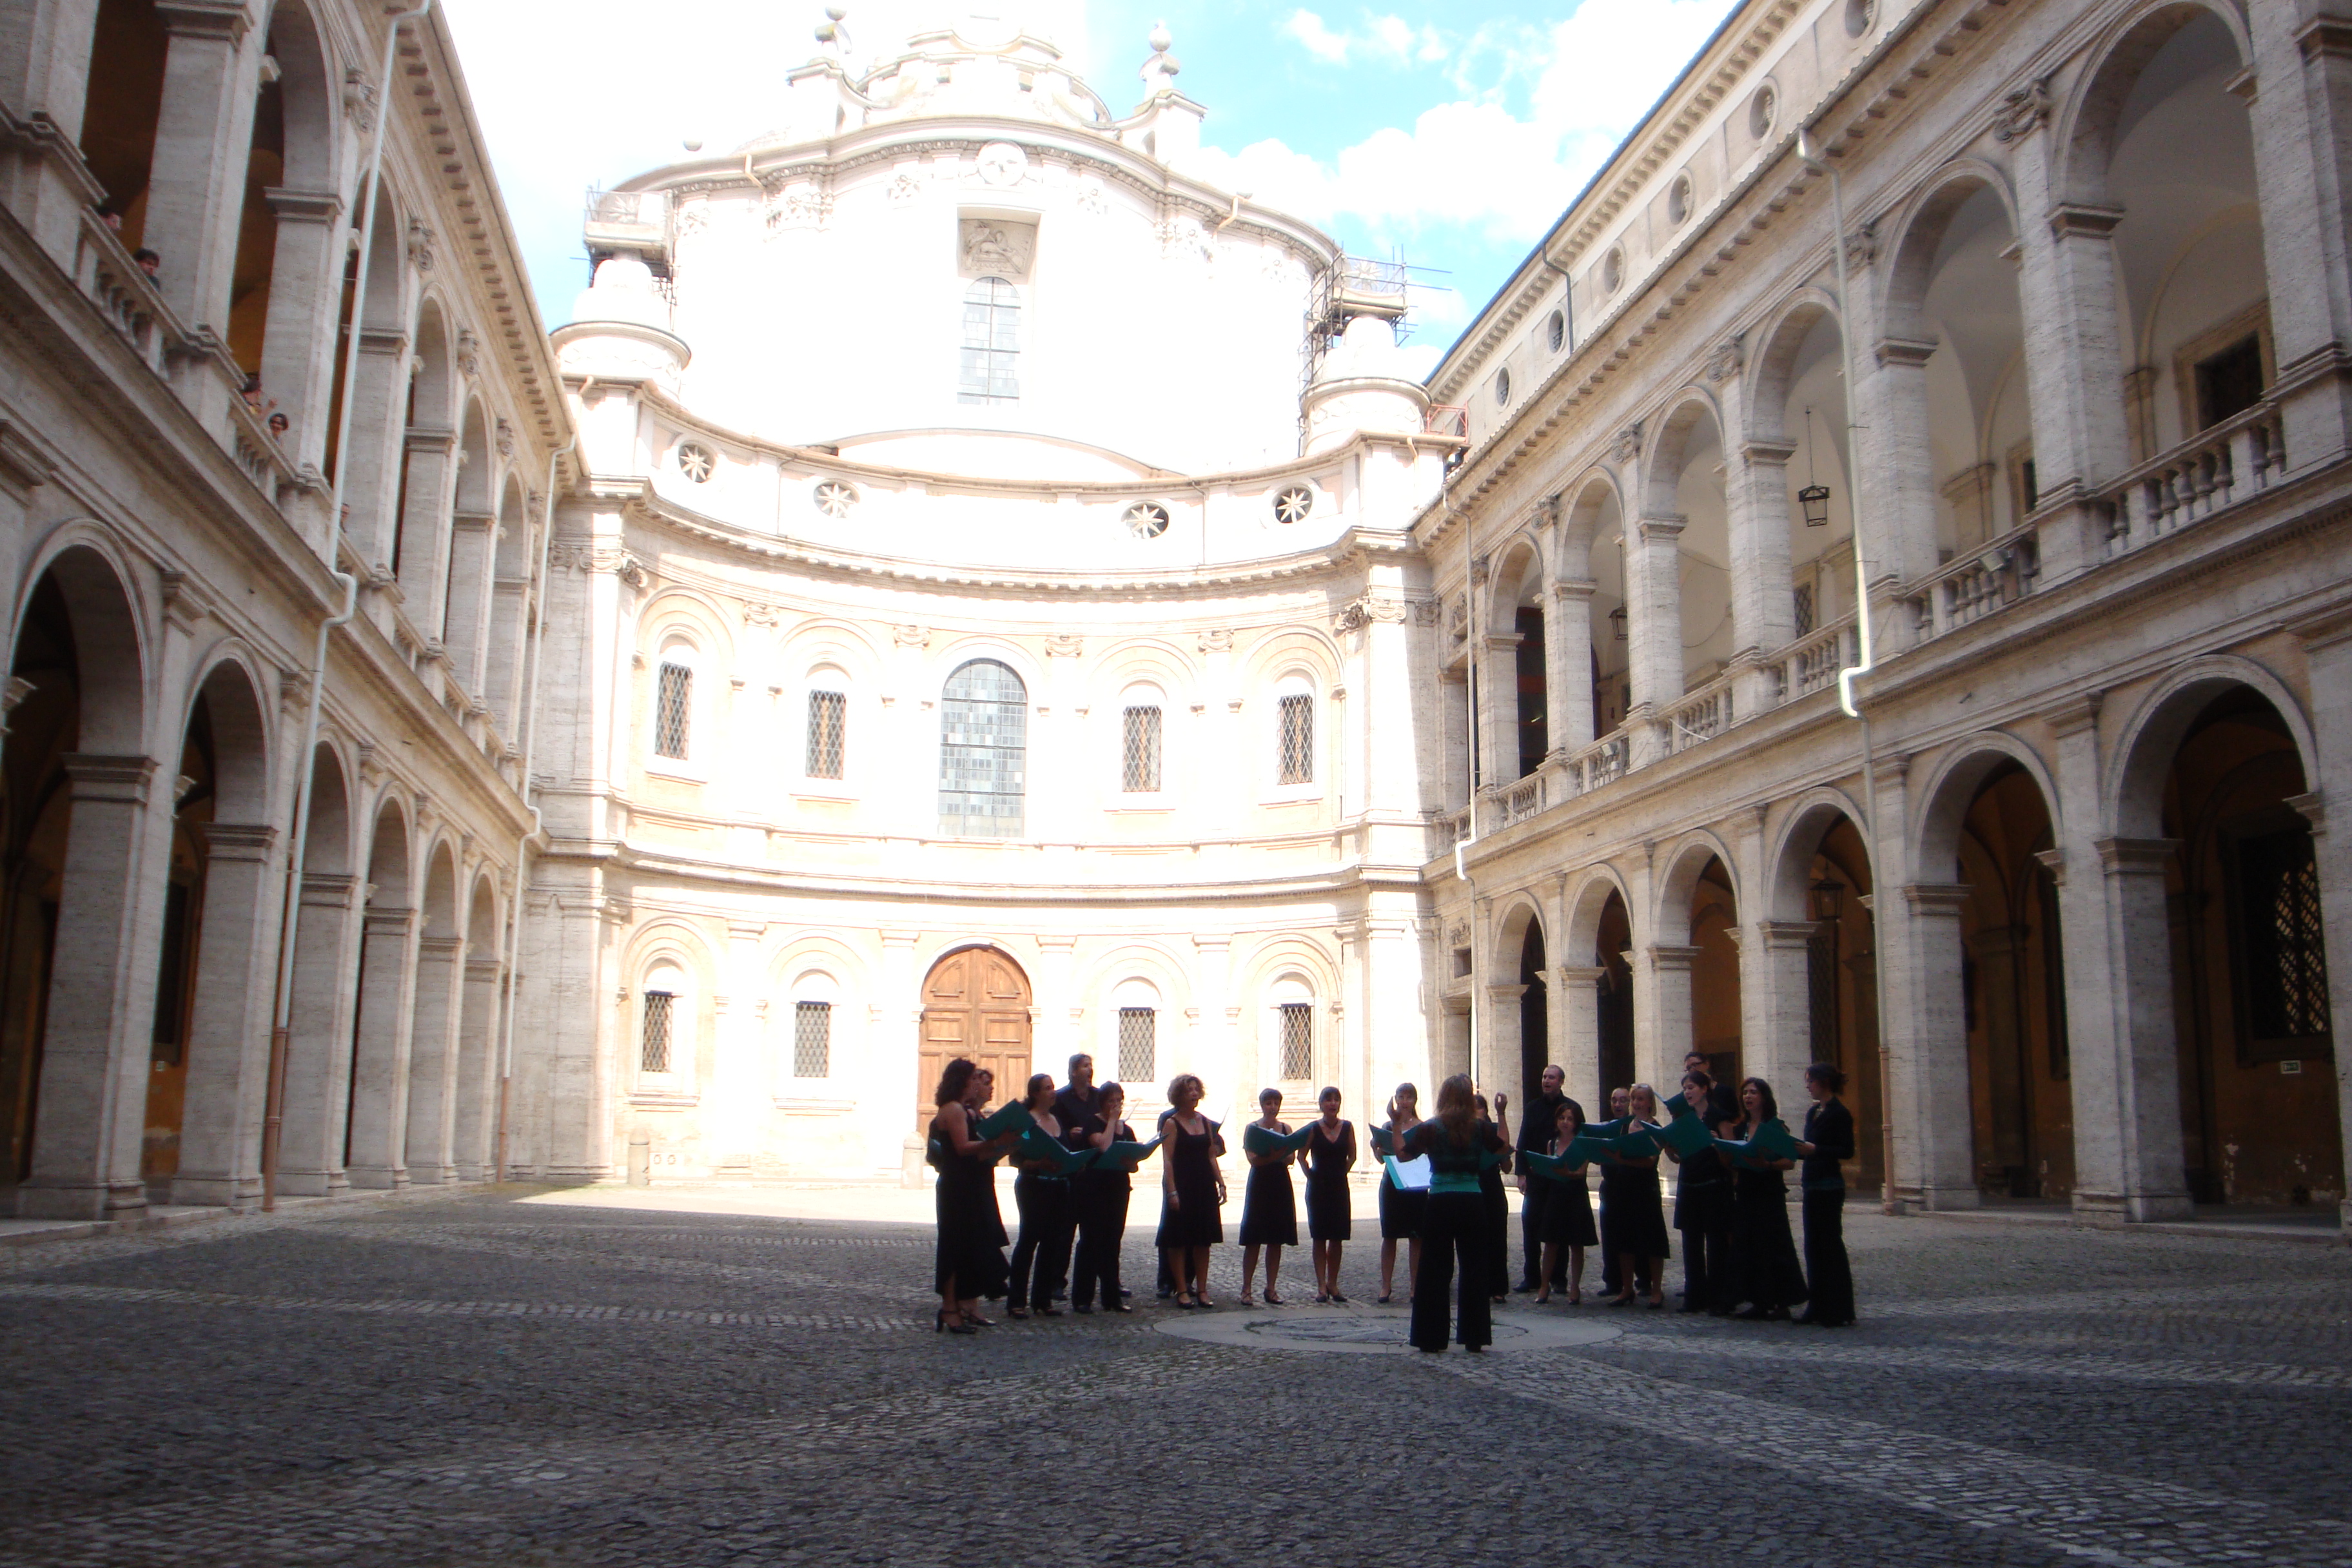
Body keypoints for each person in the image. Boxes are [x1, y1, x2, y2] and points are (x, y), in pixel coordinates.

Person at [1400, 1075, 1509, 1353]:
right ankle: (1475, 1336)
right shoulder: (1479, 1128)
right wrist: (1501, 1114)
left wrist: (1398, 1121)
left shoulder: (1432, 1128)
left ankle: (1431, 1337)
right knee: (1474, 1268)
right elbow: (1503, 1148)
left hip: (1440, 1201)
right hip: (1472, 1200)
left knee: (1435, 1269)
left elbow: (1402, 1154)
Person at [928, 1058, 1017, 1334]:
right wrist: (995, 1142)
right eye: (972, 1079)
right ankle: (949, 1309)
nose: (976, 1083)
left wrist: (1005, 1144)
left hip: (969, 1183)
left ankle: (965, 1305)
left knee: (969, 1248)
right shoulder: (953, 1109)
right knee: (954, 1250)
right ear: (962, 1081)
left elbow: (976, 1151)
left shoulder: (963, 1111)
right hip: (958, 1187)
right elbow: (963, 1147)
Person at [1725, 1076, 1810, 1321]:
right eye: (1745, 1093)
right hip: (1746, 1191)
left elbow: (1790, 1161)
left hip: (1768, 1193)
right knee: (1748, 1247)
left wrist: (1767, 1164)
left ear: (1764, 1097)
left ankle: (1781, 1301)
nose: (1748, 1097)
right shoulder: (1740, 1128)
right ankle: (1758, 1300)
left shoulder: (1776, 1127)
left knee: (1773, 1247)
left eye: (1753, 1092)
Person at [1004, 1073, 1075, 1320]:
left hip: (1058, 1185)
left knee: (1052, 1243)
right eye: (1047, 1088)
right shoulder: (1026, 1123)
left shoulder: (1055, 1120)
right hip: (1034, 1185)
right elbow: (1015, 1158)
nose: (1053, 1092)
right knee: (1029, 1240)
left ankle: (1042, 1299)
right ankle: (1016, 1301)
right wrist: (1038, 1162)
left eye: (1053, 1088)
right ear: (1035, 1093)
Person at [1666, 1068, 1734, 1315]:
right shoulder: (1682, 1119)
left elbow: (1730, 1159)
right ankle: (1694, 1297)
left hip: (1714, 1186)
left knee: (1716, 1245)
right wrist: (1669, 1147)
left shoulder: (1720, 1116)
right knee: (1691, 1244)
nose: (1687, 1092)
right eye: (1685, 1089)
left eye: (1691, 1088)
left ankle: (1718, 1297)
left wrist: (1716, 1143)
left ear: (1704, 1089)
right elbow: (1677, 1157)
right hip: (1690, 1184)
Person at [1795, 1063, 1857, 1328]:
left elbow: (1846, 1150)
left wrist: (1816, 1149)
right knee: (1813, 1247)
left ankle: (1838, 1307)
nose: (1808, 1085)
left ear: (1824, 1082)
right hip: (1811, 1182)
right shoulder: (1813, 1113)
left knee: (1830, 1245)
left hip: (1829, 1185)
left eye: (1811, 1081)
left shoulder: (1839, 1113)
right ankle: (1816, 1304)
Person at [1071, 1081, 1139, 1315]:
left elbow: (1133, 1164)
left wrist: (1132, 1161)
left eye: (1119, 1100)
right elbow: (1103, 1146)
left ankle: (1112, 1297)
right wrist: (1111, 1121)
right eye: (1111, 1101)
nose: (1116, 1105)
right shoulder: (1093, 1123)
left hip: (1118, 1189)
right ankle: (1082, 1298)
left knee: (1112, 1243)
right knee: (1090, 1242)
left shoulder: (1127, 1130)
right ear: (1102, 1103)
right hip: (1093, 1189)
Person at [1600, 1084, 1670, 1308]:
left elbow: (1650, 1160)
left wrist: (1621, 1159)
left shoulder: (1655, 1127)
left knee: (1652, 1239)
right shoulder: (1624, 1126)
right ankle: (1627, 1288)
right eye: (1634, 1099)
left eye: (1641, 1099)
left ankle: (1656, 1290)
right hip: (1624, 1186)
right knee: (1625, 1239)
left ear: (1650, 1103)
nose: (1637, 1103)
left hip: (1646, 1187)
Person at [1160, 1073, 1226, 1308]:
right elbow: (1167, 1159)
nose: (1194, 1094)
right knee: (1178, 1239)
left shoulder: (1205, 1122)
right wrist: (1172, 1192)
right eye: (1190, 1090)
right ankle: (1181, 1289)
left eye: (1196, 1089)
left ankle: (1203, 1288)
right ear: (1180, 1095)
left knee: (1202, 1239)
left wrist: (1221, 1182)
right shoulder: (1172, 1123)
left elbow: (1211, 1155)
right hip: (1183, 1185)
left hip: (1203, 1185)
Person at [1048, 1054, 1101, 1301]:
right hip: (1070, 1168)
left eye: (1090, 1066)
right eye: (1084, 1067)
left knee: (1097, 1231)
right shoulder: (1060, 1099)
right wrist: (1070, 1133)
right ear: (1072, 1072)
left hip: (1094, 1168)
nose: (1089, 1071)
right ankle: (1056, 1281)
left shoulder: (1098, 1097)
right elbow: (1054, 1131)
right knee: (1064, 1231)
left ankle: (1102, 1278)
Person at [1533, 1097, 1597, 1304]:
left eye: (1570, 1118)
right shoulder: (1552, 1144)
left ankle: (1575, 1287)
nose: (1565, 1122)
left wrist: (1561, 1171)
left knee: (1576, 1243)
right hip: (1556, 1195)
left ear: (1576, 1122)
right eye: (1562, 1117)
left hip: (1576, 1195)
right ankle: (1544, 1286)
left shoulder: (1582, 1144)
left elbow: (1580, 1172)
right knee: (1551, 1243)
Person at [1238, 1087, 1298, 1304]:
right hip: (1260, 1183)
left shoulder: (1285, 1128)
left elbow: (1291, 1157)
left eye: (1276, 1103)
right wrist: (1275, 1156)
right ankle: (1246, 1288)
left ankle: (1271, 1288)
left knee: (1276, 1239)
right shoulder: (1252, 1128)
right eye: (1269, 1103)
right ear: (1262, 1105)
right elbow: (1253, 1158)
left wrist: (1278, 1156)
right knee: (1254, 1238)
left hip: (1280, 1183)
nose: (1273, 1107)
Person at [1514, 1064, 1567, 1293]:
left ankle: (1559, 1278)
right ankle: (1532, 1277)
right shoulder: (1533, 1108)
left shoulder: (1571, 1108)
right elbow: (1523, 1141)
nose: (1547, 1081)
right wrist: (1521, 1174)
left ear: (1561, 1082)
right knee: (1531, 1226)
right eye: (1545, 1077)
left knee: (1559, 1228)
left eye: (1552, 1078)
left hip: (1559, 1178)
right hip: (1536, 1177)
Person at [1594, 1086, 1650, 1301]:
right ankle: (1613, 1281)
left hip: (1633, 1186)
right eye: (1614, 1100)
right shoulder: (1608, 1128)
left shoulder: (1634, 1127)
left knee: (1637, 1234)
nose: (1618, 1105)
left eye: (1623, 1100)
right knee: (1610, 1235)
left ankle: (1644, 1280)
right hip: (1611, 1186)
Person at [1300, 1085, 1356, 1302]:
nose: (1333, 1103)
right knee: (1319, 1236)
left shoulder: (1347, 1127)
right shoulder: (1313, 1129)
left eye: (1336, 1100)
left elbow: (1352, 1156)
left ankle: (1333, 1283)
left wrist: (1343, 1171)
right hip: (1318, 1187)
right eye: (1328, 1100)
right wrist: (1310, 1176)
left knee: (1337, 1237)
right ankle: (1321, 1286)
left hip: (1339, 1186)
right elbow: (1301, 1156)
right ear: (1321, 1104)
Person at [1376, 1083, 1427, 1304]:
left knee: (1416, 1236)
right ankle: (1386, 1285)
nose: (1404, 1102)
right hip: (1392, 1181)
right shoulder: (1388, 1126)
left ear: (1415, 1101)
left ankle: (1416, 1286)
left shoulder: (1422, 1127)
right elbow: (1380, 1159)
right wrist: (1378, 1149)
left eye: (1409, 1097)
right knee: (1390, 1235)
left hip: (1415, 1183)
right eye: (1401, 1097)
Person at [1474, 1092, 1512, 1302]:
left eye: (1479, 1108)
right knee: (1475, 1240)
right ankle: (1478, 1284)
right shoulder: (1465, 1133)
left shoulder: (1495, 1133)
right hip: (1473, 1186)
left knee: (1497, 1238)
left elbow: (1507, 1168)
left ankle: (1498, 1287)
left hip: (1492, 1188)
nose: (1476, 1113)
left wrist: (1502, 1113)